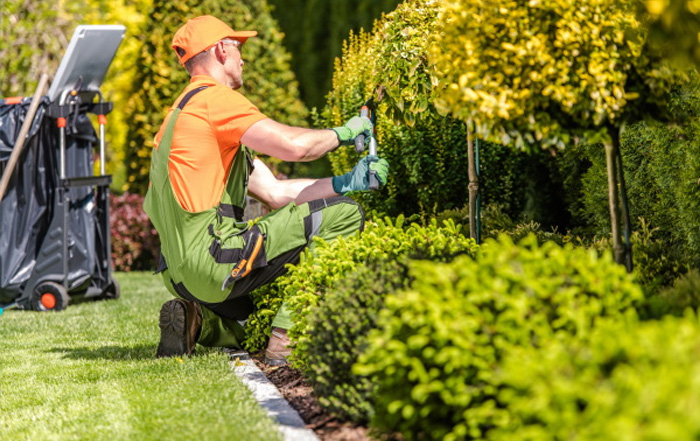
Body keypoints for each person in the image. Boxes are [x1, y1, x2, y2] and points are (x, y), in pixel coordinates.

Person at [143, 15, 389, 365]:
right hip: (214, 261)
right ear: (220, 51)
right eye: (238, 48)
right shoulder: (215, 100)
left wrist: (347, 182)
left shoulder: (180, 116)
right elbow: (295, 147)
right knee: (346, 214)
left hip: (180, 276)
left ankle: (200, 323)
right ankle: (287, 341)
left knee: (260, 310)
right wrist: (345, 133)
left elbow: (275, 192)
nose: (243, 58)